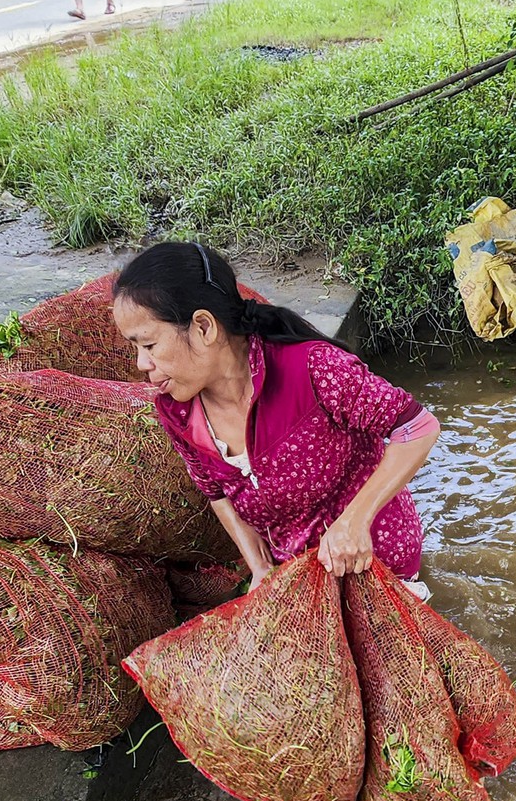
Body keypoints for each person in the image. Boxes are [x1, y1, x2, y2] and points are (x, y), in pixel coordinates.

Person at [111, 241, 441, 589]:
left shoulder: (312, 369)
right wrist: (259, 568)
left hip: (375, 558)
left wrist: (354, 522)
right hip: (299, 574)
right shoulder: (177, 410)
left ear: (204, 327)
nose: (141, 364)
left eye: (148, 345)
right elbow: (216, 492)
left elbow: (418, 427)